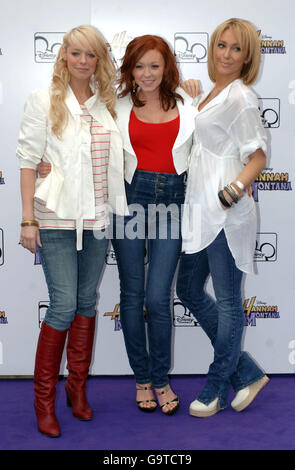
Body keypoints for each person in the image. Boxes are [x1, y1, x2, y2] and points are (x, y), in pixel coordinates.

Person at [17, 25, 127, 437]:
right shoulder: (43, 100)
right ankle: (43, 401)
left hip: (98, 222)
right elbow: (28, 161)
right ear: (64, 55)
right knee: (63, 305)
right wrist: (27, 219)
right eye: (76, 53)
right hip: (56, 220)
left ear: (100, 60)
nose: (83, 61)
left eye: (91, 55)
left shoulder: (106, 105)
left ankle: (76, 391)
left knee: (85, 302)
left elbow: (155, 94)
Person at [177, 18, 269, 418]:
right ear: (212, 48)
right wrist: (190, 93)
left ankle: (215, 388)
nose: (227, 54)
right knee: (189, 289)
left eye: (236, 48)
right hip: (199, 212)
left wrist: (235, 188)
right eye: (221, 46)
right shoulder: (214, 91)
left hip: (226, 213)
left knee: (229, 303)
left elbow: (259, 155)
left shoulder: (242, 97)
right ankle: (246, 371)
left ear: (247, 55)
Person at [112, 35, 197, 415]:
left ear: (167, 68)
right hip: (129, 201)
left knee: (157, 298)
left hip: (173, 203)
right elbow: (83, 143)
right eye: (139, 66)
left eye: (154, 66)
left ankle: (161, 379)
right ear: (130, 69)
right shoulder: (114, 107)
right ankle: (142, 380)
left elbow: (211, 148)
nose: (147, 74)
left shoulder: (188, 102)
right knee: (132, 295)